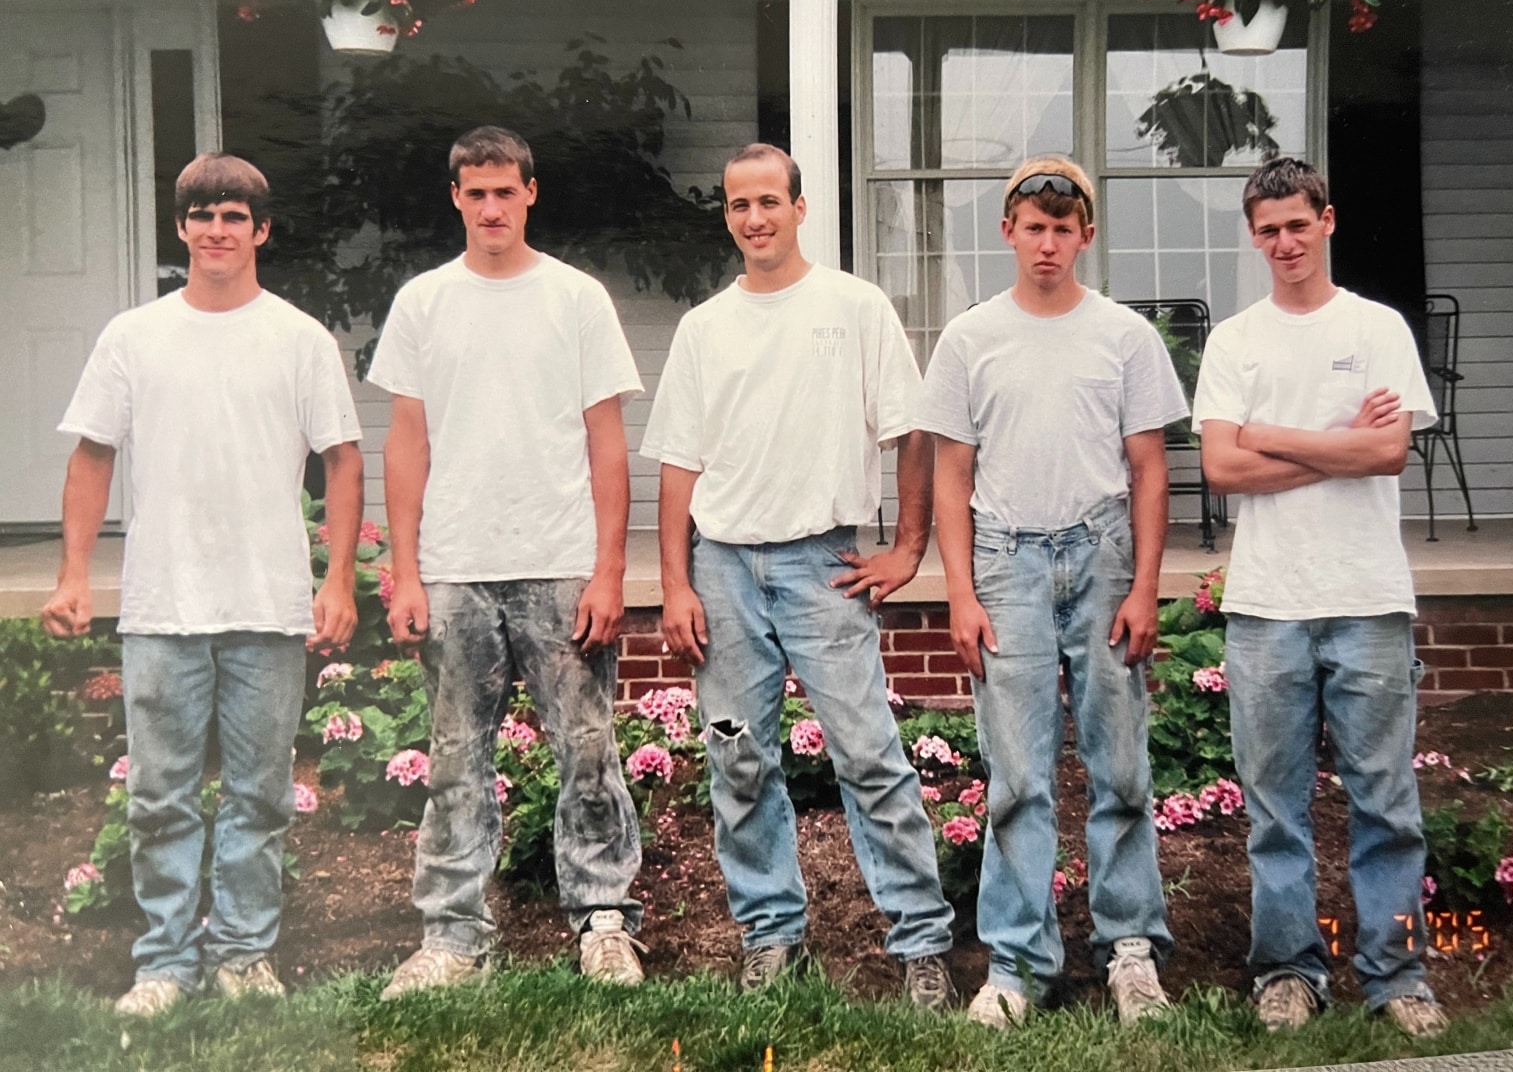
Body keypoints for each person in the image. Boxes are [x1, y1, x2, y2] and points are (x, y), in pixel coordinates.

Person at [43, 153, 364, 1016]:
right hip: (160, 605)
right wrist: (76, 573)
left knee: (260, 793)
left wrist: (337, 580)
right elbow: (92, 454)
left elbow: (341, 459)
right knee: (160, 796)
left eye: (233, 216)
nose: (215, 230)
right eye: (200, 215)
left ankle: (242, 954)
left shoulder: (299, 338)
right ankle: (164, 964)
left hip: (265, 603)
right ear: (180, 228)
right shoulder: (134, 336)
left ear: (260, 230)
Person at [640, 142, 958, 1009]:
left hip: (824, 565)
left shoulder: (854, 309)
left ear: (800, 207)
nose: (754, 219)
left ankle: (921, 943)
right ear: (729, 214)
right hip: (725, 571)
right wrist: (676, 584)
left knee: (867, 755)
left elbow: (913, 433)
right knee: (739, 762)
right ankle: (771, 936)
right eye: (739, 205)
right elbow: (677, 466)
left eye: (769, 202)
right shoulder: (706, 327)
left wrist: (909, 548)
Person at [369, 125, 647, 998]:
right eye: (474, 192)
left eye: (505, 191)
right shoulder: (423, 302)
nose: (491, 207)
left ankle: (604, 921)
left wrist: (608, 572)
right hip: (455, 567)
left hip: (559, 561)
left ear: (532, 192)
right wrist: (407, 569)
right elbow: (406, 442)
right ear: (456, 197)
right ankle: (454, 936)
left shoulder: (576, 299)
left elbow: (609, 444)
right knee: (456, 755)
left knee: (589, 751)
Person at [919, 157, 1185, 1028]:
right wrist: (960, 591)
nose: (1047, 243)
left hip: (1102, 551)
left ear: (1085, 236)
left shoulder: (1124, 337)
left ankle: (1131, 951)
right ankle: (1018, 961)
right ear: (1009, 231)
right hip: (1006, 557)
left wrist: (1145, 586)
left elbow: (1149, 470)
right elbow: (950, 473)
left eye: (1062, 229)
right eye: (1032, 227)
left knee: (1118, 762)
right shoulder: (969, 338)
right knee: (1018, 772)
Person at [1192, 156, 1446, 1037]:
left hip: (1368, 595)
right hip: (1267, 604)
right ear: (1253, 236)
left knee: (1387, 803)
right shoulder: (1236, 340)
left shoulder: (1377, 329)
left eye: (1298, 224)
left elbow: (1386, 454)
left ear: (1327, 221)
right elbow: (1221, 469)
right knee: (1274, 805)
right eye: (1268, 230)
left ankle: (1398, 973)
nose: (1285, 243)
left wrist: (1269, 435)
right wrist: (1328, 442)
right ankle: (1286, 973)